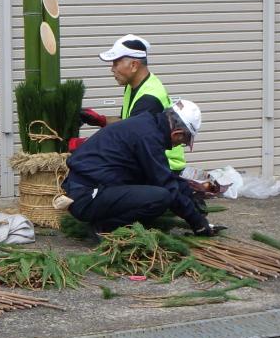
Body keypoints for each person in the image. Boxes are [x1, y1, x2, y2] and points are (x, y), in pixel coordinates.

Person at [62, 99, 222, 236]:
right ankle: (105, 228)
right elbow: (167, 186)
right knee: (161, 198)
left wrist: (190, 198)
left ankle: (106, 223)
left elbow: (163, 176)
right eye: (183, 142)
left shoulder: (147, 125)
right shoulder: (149, 138)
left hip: (84, 189)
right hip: (87, 197)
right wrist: (197, 223)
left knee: (157, 191)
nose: (179, 145)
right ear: (177, 133)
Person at [78, 34, 186, 172]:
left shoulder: (149, 99)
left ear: (134, 65)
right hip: (146, 160)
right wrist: (101, 120)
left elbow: (128, 141)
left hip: (163, 166)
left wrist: (87, 145)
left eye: (116, 63)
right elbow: (126, 123)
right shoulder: (133, 85)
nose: (112, 69)